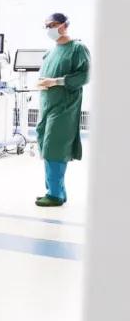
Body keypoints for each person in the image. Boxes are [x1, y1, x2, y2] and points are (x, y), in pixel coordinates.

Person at [35, 13, 91, 207]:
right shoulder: (50, 52)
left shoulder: (77, 48)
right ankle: (57, 190)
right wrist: (43, 83)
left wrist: (56, 81)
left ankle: (55, 195)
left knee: (55, 148)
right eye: (46, 25)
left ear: (64, 25)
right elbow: (47, 74)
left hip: (64, 107)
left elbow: (85, 75)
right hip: (47, 105)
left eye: (52, 24)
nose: (49, 29)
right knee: (46, 146)